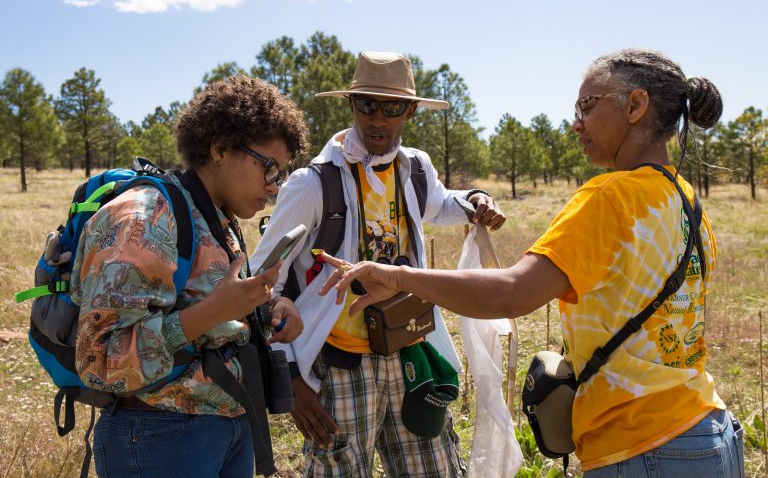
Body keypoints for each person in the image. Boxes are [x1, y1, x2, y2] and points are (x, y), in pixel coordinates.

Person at [320, 49, 745, 477]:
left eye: (587, 106)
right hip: (711, 430)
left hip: (643, 447)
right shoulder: (687, 199)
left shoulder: (607, 199)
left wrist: (397, 275)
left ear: (635, 106)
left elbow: (511, 292)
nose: (576, 122)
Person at [249, 51, 506, 477]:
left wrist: (475, 201)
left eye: (392, 108)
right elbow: (261, 283)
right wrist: (290, 377)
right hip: (340, 366)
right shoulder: (314, 184)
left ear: (410, 111)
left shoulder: (415, 169)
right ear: (352, 105)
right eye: (367, 104)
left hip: (409, 353)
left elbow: (441, 205)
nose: (378, 119)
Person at [72, 75, 308, 477]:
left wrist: (269, 308)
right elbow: (99, 360)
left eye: (280, 174)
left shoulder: (216, 217)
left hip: (226, 427)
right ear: (219, 149)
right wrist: (217, 310)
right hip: (158, 437)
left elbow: (205, 305)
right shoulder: (143, 219)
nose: (273, 187)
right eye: (268, 168)